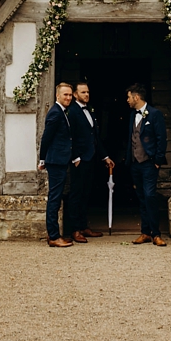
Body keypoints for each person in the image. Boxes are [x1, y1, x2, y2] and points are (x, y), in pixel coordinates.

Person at [64, 80, 113, 243]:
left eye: (88, 92)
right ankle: (75, 229)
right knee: (76, 194)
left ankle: (84, 226)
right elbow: (70, 136)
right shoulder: (72, 111)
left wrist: (105, 157)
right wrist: (75, 157)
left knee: (86, 193)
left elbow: (95, 137)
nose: (87, 95)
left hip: (91, 158)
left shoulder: (90, 111)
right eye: (83, 92)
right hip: (79, 159)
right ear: (76, 94)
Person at [125, 82, 168, 246]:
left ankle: (156, 233)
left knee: (150, 196)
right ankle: (145, 232)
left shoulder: (155, 114)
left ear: (136, 97)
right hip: (135, 163)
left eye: (129, 97)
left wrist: (157, 161)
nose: (127, 100)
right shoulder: (132, 115)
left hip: (149, 163)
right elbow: (133, 138)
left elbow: (161, 139)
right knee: (141, 197)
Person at [38, 82, 80, 247]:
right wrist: (43, 159)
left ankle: (54, 235)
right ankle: (54, 236)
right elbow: (46, 137)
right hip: (55, 161)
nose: (68, 98)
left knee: (56, 197)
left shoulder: (63, 112)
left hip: (61, 160)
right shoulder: (55, 113)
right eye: (65, 95)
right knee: (54, 199)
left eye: (70, 95)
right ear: (57, 95)